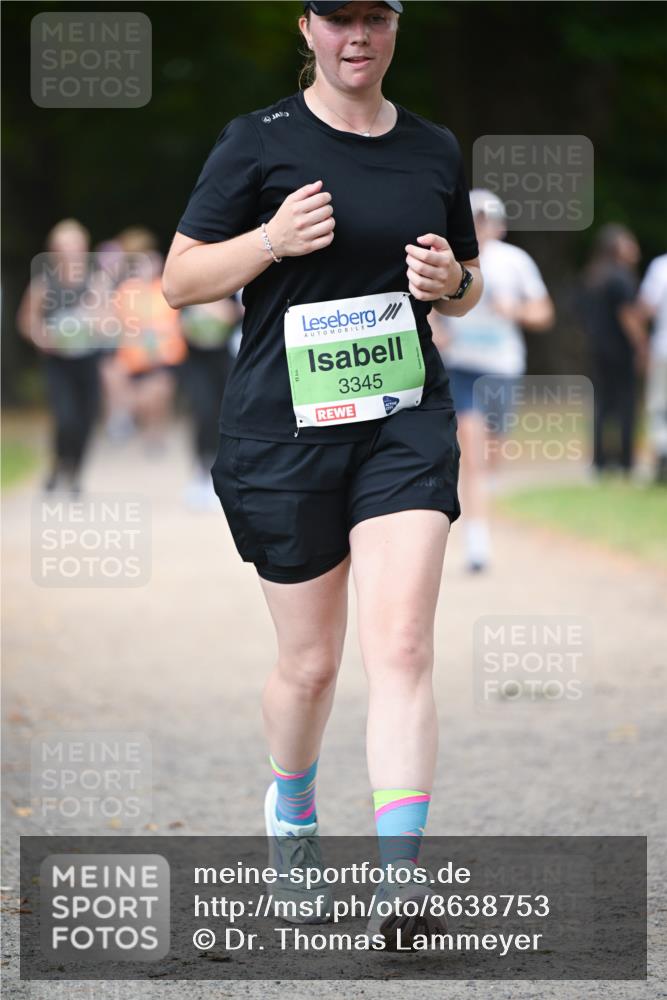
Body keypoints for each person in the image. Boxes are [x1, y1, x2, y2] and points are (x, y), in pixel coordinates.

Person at [163, 0, 482, 949]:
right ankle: (293, 815)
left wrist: (451, 285)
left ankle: (400, 886)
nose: (358, 36)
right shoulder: (256, 141)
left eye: (374, 17)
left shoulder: (432, 148)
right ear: (306, 29)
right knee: (310, 666)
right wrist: (270, 241)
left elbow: (465, 282)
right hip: (284, 434)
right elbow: (180, 281)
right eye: (338, 18)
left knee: (403, 647)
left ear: (395, 27)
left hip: (401, 422)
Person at [430, 190, 554, 571]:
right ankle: (477, 540)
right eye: (474, 219)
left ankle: (483, 496)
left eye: (486, 219)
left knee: (492, 453)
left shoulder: (514, 261)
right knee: (473, 449)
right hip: (461, 366)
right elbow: (425, 303)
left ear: (498, 224)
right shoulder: (448, 260)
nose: (481, 226)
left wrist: (515, 310)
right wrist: (436, 330)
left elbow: (544, 312)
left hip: (502, 368)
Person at [17, 219, 104, 495]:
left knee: (86, 419)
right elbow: (26, 321)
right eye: (64, 247)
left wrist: (93, 321)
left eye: (76, 246)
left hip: (87, 361)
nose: (71, 252)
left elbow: (110, 319)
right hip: (57, 363)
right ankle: (58, 463)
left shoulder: (96, 282)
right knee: (66, 418)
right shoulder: (44, 284)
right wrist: (41, 336)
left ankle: (76, 471)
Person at [576, 223, 647, 476]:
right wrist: (642, 345)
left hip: (598, 348)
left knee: (602, 405)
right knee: (627, 404)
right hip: (620, 349)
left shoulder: (592, 276)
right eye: (629, 242)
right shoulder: (621, 277)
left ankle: (599, 462)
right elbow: (627, 316)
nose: (634, 247)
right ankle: (627, 462)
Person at [180, 297, 242, 509]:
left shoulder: (232, 288)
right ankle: (202, 472)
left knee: (226, 415)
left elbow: (236, 312)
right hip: (196, 360)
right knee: (203, 412)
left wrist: (218, 309)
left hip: (227, 358)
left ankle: (224, 475)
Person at [635, 253, 667, 483]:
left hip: (664, 348)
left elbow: (646, 307)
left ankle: (662, 457)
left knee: (659, 406)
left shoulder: (661, 266)